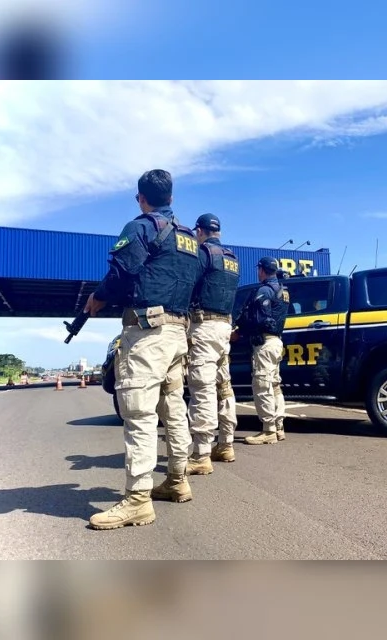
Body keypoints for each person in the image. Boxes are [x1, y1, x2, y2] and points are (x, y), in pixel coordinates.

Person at [81, 169, 202, 530]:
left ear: (140, 197)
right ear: (172, 197)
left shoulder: (140, 227)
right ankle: (177, 480)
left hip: (147, 334)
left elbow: (121, 273)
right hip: (178, 332)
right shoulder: (188, 238)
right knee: (174, 408)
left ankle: (137, 500)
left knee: (140, 415)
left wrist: (97, 299)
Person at [183, 213, 241, 474]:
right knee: (224, 385)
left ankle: (201, 454)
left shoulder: (202, 253)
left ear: (200, 230)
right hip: (224, 327)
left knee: (202, 388)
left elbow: (187, 284)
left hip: (204, 326)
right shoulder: (232, 258)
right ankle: (226, 443)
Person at [235, 257, 290, 445]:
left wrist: (241, 329)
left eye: (259, 269)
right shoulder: (283, 291)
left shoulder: (264, 290)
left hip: (265, 343)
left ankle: (268, 430)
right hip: (276, 342)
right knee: (274, 385)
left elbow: (259, 319)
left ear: (262, 270)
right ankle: (279, 426)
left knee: (261, 385)